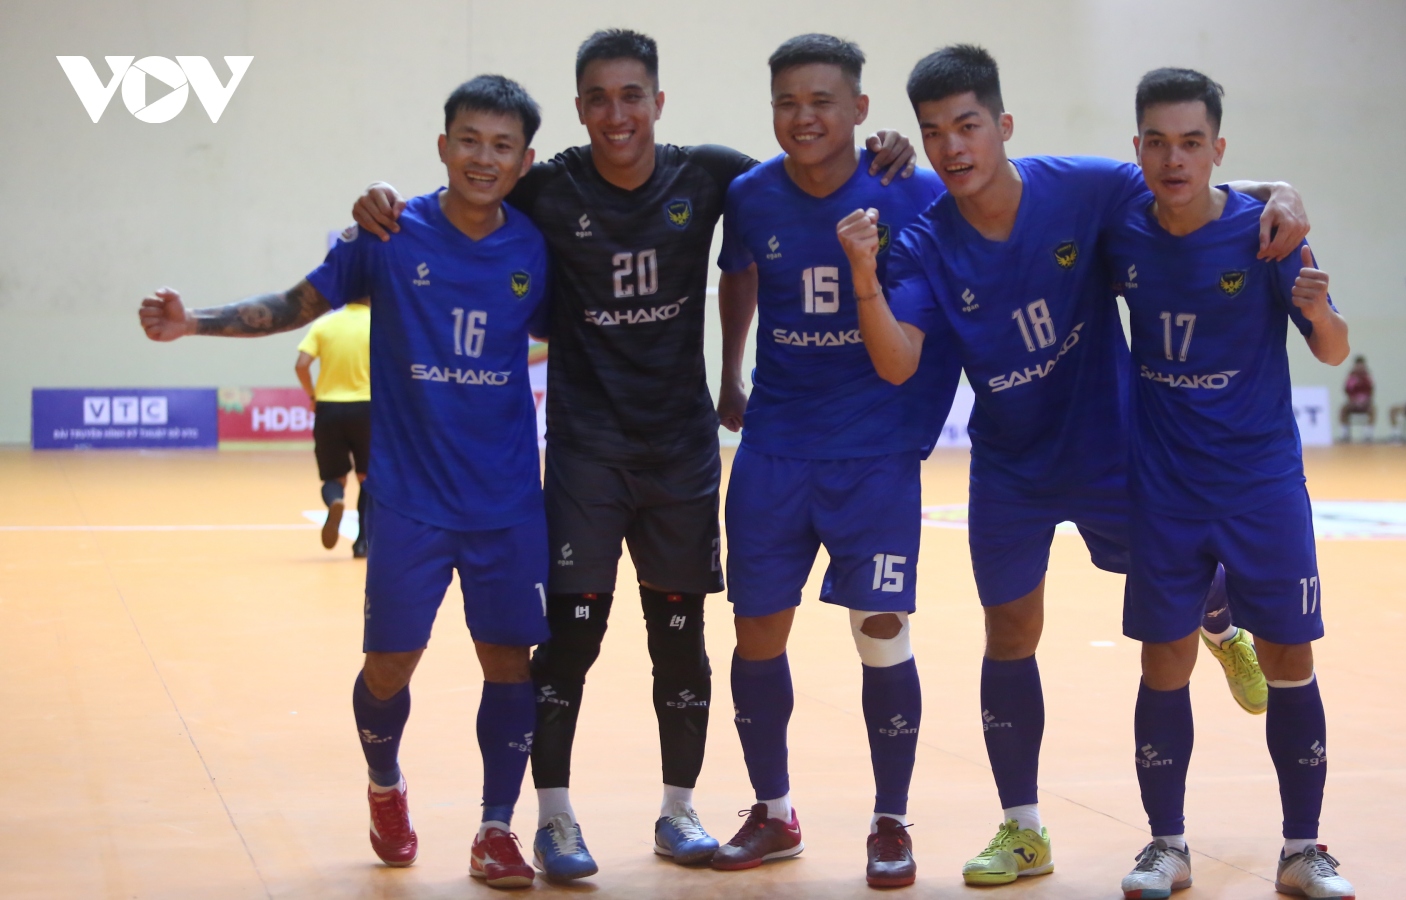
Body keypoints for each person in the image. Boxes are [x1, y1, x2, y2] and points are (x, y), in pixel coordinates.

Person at [349, 29, 917, 882]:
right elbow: (468, 187)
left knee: (679, 641)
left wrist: (885, 150)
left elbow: (803, 173)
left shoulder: (714, 176)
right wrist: (384, 201)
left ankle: (678, 809)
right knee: (569, 640)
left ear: (659, 102)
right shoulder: (546, 185)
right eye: (598, 98)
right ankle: (553, 819)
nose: (616, 114)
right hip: (586, 452)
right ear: (580, 109)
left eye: (631, 96)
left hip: (680, 452)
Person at [838, 44, 1310, 886]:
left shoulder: (1081, 186)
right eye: (935, 132)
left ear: (1004, 126)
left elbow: (1185, 186)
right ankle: (1023, 829)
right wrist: (865, 281)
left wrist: (1283, 190)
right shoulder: (926, 240)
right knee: (1009, 632)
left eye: (968, 126)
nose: (952, 147)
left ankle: (1220, 623)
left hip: (1113, 451)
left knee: (1177, 598)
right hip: (1011, 465)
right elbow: (900, 362)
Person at [139, 75, 553, 889]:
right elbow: (297, 303)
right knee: (389, 668)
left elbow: (577, 330)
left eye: (502, 146)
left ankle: (496, 828)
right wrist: (195, 323)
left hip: (506, 499)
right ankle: (385, 785)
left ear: (525, 161)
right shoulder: (388, 234)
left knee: (509, 662)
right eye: (470, 140)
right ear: (443, 146)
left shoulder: (537, 249)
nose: (484, 158)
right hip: (407, 501)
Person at [708, 34, 958, 887]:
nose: (803, 117)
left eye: (823, 101)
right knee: (754, 631)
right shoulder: (749, 194)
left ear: (860, 108)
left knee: (881, 633)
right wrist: (730, 370)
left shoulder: (910, 189)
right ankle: (774, 812)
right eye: (787, 102)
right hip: (775, 447)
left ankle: (891, 821)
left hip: (874, 451)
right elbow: (738, 272)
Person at [1102, 67, 1356, 900]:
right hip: (1165, 488)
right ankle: (1166, 846)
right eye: (1157, 143)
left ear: (1218, 148)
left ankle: (1303, 850)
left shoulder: (1268, 232)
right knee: (1164, 662)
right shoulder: (1121, 230)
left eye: (1191, 143)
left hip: (1260, 484)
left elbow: (1333, 349)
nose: (1174, 159)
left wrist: (1317, 311)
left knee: (1289, 657)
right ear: (1137, 147)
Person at [294, 300, 372, 556]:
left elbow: (301, 365)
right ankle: (362, 542)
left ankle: (335, 501)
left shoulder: (324, 324)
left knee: (333, 477)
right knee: (367, 477)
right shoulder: (378, 324)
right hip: (366, 407)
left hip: (329, 408)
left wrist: (312, 395)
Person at [1337, 354, 1374, 443]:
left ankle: (1368, 434)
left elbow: (1371, 391)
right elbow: (1347, 390)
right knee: (1343, 409)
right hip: (1353, 402)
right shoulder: (1351, 377)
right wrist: (1353, 401)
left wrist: (1366, 402)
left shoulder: (1368, 377)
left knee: (1372, 410)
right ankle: (1345, 433)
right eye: (1358, 365)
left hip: (1365, 403)